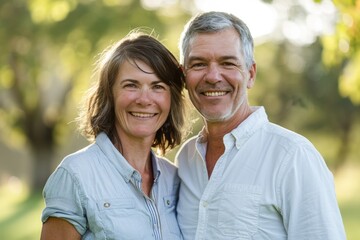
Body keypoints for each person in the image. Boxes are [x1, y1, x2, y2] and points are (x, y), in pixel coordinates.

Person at [175, 11, 346, 239]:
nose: (213, 76)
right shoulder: (185, 160)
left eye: (228, 63)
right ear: (183, 76)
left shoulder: (293, 157)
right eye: (199, 64)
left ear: (251, 74)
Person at [40, 30, 187, 240]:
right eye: (131, 85)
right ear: (109, 94)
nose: (145, 100)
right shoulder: (75, 175)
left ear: (171, 99)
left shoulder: (176, 180)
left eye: (157, 86)